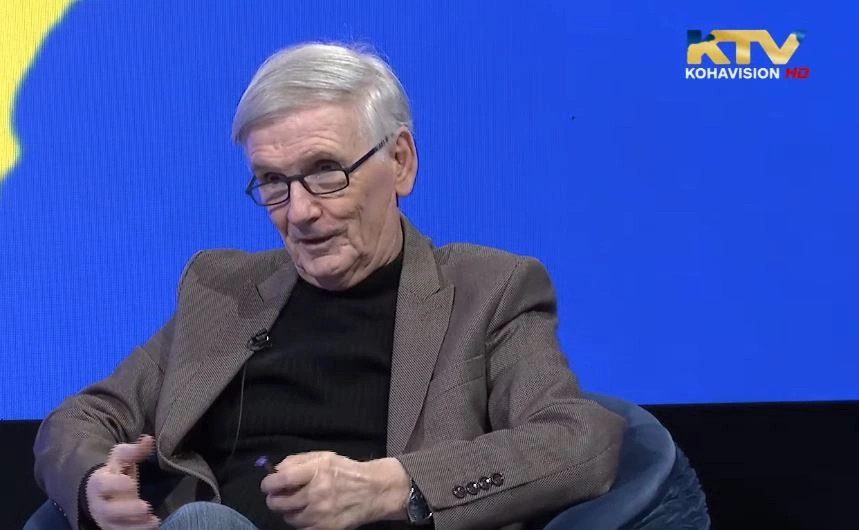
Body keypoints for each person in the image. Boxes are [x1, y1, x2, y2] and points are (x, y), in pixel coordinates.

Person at [32, 42, 625, 530]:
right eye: (272, 181)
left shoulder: (488, 291)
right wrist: (93, 482)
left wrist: (392, 487)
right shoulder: (222, 290)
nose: (299, 212)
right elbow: (85, 415)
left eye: (325, 172)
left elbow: (579, 442)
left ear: (400, 162)